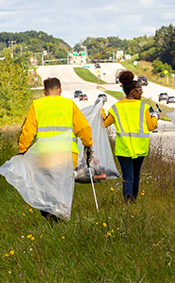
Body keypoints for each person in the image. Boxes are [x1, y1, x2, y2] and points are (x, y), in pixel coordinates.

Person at [18, 77, 94, 220]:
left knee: (45, 185)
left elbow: (27, 131)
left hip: (44, 155)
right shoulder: (69, 105)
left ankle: (49, 213)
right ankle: (58, 215)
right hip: (66, 155)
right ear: (60, 89)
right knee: (62, 186)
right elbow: (83, 127)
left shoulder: (37, 105)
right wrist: (88, 144)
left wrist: (23, 149)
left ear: (44, 91)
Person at [102, 70, 159, 202]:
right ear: (132, 92)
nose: (142, 92)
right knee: (136, 176)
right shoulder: (143, 107)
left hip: (124, 149)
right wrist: (155, 117)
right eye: (139, 90)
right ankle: (133, 200)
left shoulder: (116, 107)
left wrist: (102, 110)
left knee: (128, 177)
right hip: (140, 147)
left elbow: (104, 124)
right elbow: (151, 127)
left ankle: (127, 202)